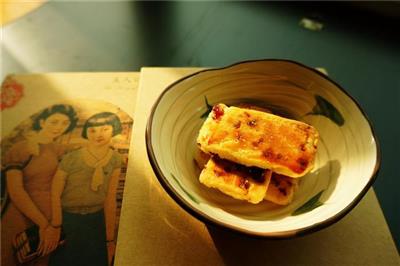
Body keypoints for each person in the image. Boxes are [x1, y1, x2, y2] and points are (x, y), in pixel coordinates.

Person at [1, 104, 78, 266]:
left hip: (52, 215)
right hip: (21, 214)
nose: (59, 127)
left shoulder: (61, 150)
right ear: (42, 122)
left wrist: (54, 224)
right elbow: (15, 190)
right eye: (54, 122)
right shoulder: (21, 148)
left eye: (65, 123)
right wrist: (43, 224)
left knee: (41, 258)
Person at [48, 112, 123, 266]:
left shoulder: (116, 159)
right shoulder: (72, 158)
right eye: (92, 130)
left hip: (96, 219)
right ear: (86, 132)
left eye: (105, 129)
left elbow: (110, 197)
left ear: (114, 129)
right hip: (68, 219)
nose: (98, 134)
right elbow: (55, 192)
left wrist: (109, 239)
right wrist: (56, 224)